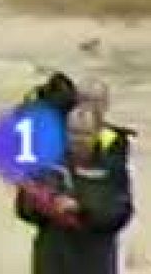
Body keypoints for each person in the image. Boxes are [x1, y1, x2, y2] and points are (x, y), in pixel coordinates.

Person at [15, 103, 133, 274]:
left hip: (93, 262)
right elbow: (24, 211)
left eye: (85, 134)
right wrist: (38, 203)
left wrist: (80, 208)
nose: (77, 139)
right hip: (53, 261)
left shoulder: (111, 168)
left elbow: (118, 214)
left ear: (97, 133)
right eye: (73, 132)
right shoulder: (48, 164)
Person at [78, 77, 137, 161]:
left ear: (106, 104)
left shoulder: (121, 138)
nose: (92, 106)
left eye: (97, 101)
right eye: (86, 100)